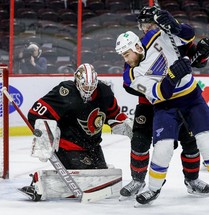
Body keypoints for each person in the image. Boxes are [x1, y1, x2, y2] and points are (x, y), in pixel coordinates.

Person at [115, 11, 209, 208]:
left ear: (136, 46)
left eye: (127, 54)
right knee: (162, 147)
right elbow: (161, 93)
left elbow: (189, 37)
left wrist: (177, 28)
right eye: (123, 56)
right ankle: (151, 188)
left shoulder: (158, 34)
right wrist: (172, 74)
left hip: (192, 98)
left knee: (205, 141)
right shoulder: (131, 73)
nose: (126, 59)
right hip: (164, 104)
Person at [19, 63, 133, 201]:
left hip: (93, 145)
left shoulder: (105, 92)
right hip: (68, 145)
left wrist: (126, 125)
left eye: (92, 87)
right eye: (85, 86)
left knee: (100, 177)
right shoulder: (65, 92)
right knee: (85, 177)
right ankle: (39, 182)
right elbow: (35, 114)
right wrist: (45, 138)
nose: (89, 90)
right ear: (77, 82)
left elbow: (114, 115)